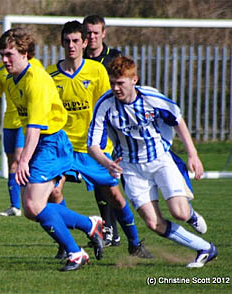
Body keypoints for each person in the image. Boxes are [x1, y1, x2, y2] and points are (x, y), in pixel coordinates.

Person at [87, 56, 217, 268]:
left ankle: (190, 214)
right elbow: (91, 145)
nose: (116, 88)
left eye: (120, 83)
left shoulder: (151, 98)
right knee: (153, 223)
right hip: (130, 168)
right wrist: (106, 162)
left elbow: (178, 120)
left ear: (134, 80)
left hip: (160, 160)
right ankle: (205, 249)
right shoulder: (105, 104)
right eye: (112, 83)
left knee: (180, 213)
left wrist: (193, 154)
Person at [0, 27, 104, 271]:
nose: (4, 60)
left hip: (52, 143)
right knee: (31, 208)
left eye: (9, 55)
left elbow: (34, 128)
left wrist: (23, 161)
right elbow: (27, 124)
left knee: (34, 205)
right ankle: (90, 225)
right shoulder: (12, 78)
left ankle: (76, 253)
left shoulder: (37, 81)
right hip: (41, 144)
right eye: (2, 54)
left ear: (25, 53)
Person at [46, 21, 152, 260]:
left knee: (114, 196)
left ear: (84, 42)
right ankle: (67, 244)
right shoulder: (50, 75)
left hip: (95, 148)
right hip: (63, 147)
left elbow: (109, 109)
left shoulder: (96, 72)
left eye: (76, 41)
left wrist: (117, 143)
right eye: (67, 41)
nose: (71, 46)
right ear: (61, 43)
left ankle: (135, 244)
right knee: (53, 193)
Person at [0, 46, 42, 217]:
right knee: (11, 162)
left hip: (24, 122)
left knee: (20, 161)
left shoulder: (34, 67)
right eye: (3, 54)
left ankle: (28, 202)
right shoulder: (0, 70)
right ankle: (15, 206)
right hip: (9, 122)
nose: (5, 58)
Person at [82, 14, 122, 246]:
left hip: (111, 129)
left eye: (96, 32)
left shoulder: (114, 58)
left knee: (108, 184)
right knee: (101, 182)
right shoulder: (77, 57)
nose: (92, 37)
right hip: (84, 130)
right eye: (88, 32)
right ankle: (111, 232)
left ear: (104, 33)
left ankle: (116, 233)